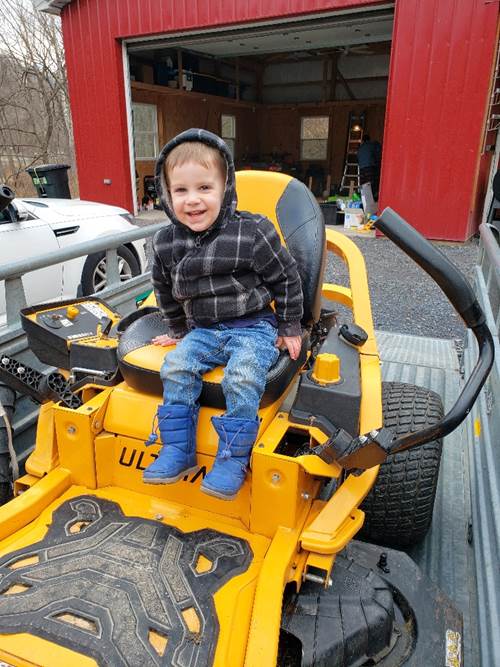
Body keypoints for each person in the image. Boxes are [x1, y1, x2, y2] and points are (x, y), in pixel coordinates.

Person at [143, 128, 303, 500]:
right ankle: (178, 450)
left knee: (242, 377)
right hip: (204, 330)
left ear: (225, 187)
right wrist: (178, 329)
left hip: (253, 326)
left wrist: (291, 324)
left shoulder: (252, 232)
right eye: (180, 191)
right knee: (176, 367)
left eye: (204, 188)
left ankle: (232, 457)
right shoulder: (166, 242)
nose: (193, 200)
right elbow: (164, 288)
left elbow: (287, 277)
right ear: (166, 195)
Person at [357, 134, 382, 200]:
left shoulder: (361, 147)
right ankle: (373, 198)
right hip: (369, 167)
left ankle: (365, 199)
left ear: (363, 140)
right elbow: (379, 152)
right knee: (371, 184)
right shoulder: (372, 145)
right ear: (369, 139)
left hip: (362, 168)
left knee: (365, 184)